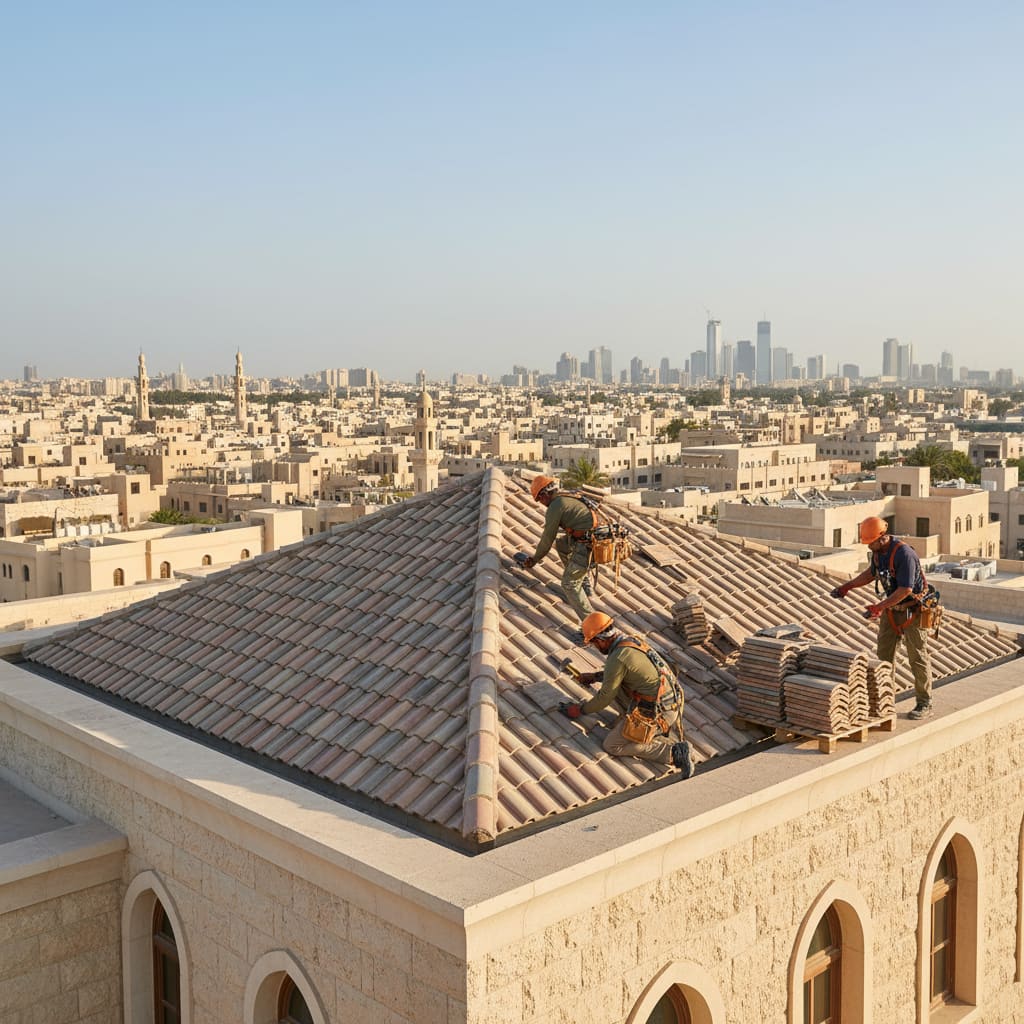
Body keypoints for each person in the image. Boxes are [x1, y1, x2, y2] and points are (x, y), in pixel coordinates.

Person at [558, 612, 696, 776]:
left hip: (659, 712)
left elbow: (604, 698)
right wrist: (595, 677)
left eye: (594, 644)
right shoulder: (632, 641)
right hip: (673, 701)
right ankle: (658, 734)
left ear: (600, 640)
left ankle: (674, 752)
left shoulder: (617, 657)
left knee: (613, 745)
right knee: (615, 687)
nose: (596, 647)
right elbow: (626, 672)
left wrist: (580, 710)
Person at [831, 516, 933, 719]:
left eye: (871, 543)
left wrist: (879, 607)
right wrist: (847, 587)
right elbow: (871, 574)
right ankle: (885, 702)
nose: (869, 547)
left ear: (882, 537)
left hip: (912, 610)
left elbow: (905, 589)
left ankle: (925, 703)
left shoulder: (904, 554)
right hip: (891, 610)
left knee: (917, 657)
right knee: (884, 657)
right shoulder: (878, 554)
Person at [517, 476, 595, 622]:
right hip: (590, 538)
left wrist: (534, 560)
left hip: (588, 544)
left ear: (544, 495)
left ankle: (591, 624)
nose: (542, 504)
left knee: (569, 583)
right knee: (562, 545)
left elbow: (547, 538)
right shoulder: (566, 497)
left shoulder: (556, 505)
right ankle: (582, 579)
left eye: (539, 500)